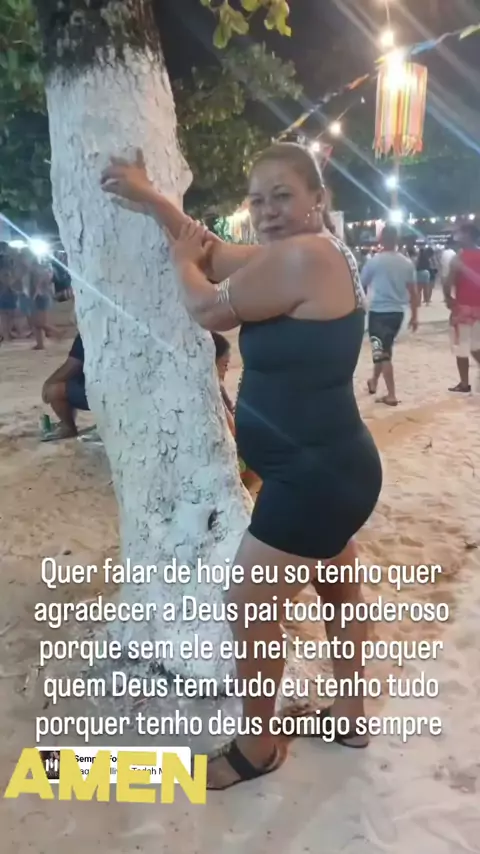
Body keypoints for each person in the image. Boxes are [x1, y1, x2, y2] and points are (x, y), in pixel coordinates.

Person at [101, 142, 383, 791]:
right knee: (338, 586)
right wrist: (150, 198)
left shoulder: (306, 257)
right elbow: (212, 250)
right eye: (257, 200)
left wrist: (181, 263)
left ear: (317, 199)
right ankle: (351, 716)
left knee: (248, 603)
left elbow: (207, 305)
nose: (267, 210)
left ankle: (257, 749)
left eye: (283, 195)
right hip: (333, 467)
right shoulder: (300, 255)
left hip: (312, 480)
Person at [361, 225, 418, 407]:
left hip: (378, 312)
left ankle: (391, 394)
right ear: (397, 239)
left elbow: (361, 284)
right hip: (397, 313)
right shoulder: (406, 263)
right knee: (384, 349)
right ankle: (373, 381)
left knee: (382, 352)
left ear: (380, 239)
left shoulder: (374, 261)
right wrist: (415, 315)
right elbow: (413, 292)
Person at [212, 332, 259, 495]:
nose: (225, 370)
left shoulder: (219, 389)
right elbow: (232, 428)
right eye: (224, 365)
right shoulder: (213, 390)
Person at [444, 222, 480, 393]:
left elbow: (448, 281)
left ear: (468, 235)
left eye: (460, 233)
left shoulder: (458, 258)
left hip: (463, 308)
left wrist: (448, 298)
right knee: (476, 345)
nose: (457, 236)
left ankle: (464, 383)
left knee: (462, 346)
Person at [41, 333, 89, 439]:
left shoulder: (88, 333)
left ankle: (68, 427)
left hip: (104, 392)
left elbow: (73, 365)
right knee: (70, 379)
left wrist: (48, 383)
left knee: (53, 390)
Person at [0, 245, 18, 342]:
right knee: (6, 314)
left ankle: (6, 333)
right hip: (6, 291)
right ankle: (5, 334)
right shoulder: (7, 267)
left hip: (8, 291)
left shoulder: (10, 264)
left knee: (7, 314)